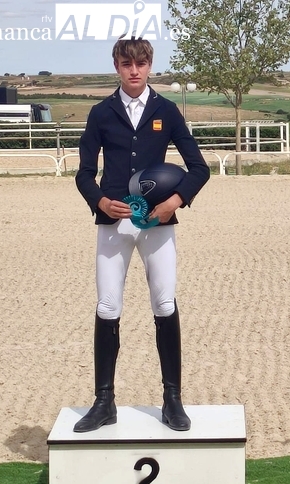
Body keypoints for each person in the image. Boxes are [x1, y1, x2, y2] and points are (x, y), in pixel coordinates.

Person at [74, 36, 210, 432]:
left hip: (158, 224)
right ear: (116, 65)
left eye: (141, 63)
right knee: (107, 307)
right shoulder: (100, 113)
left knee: (164, 303)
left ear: (150, 66)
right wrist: (99, 201)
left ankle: (172, 400)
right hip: (113, 223)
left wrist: (176, 201)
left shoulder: (166, 111)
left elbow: (198, 167)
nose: (134, 70)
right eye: (126, 63)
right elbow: (83, 172)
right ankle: (104, 402)